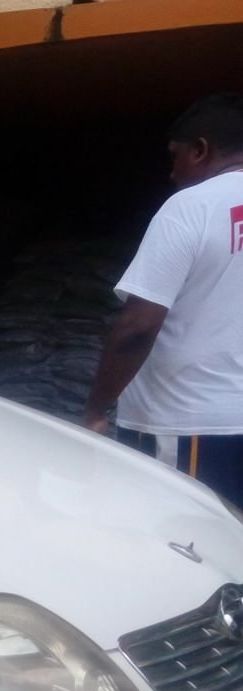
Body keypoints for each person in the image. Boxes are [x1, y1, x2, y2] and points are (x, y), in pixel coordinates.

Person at [84, 93, 243, 506]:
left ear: (201, 149)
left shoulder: (191, 207)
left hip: (189, 423)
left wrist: (97, 409)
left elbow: (137, 326)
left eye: (175, 157)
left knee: (178, 548)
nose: (171, 173)